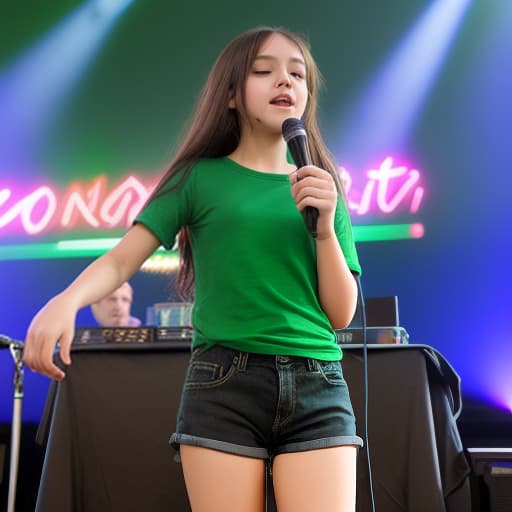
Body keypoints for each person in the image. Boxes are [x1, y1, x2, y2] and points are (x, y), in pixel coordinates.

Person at [23, 26, 362, 512]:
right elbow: (123, 258)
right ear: (230, 94)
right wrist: (66, 301)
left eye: (298, 74)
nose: (285, 82)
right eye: (264, 71)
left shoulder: (323, 185)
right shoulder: (197, 178)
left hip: (318, 384)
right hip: (224, 382)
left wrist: (325, 227)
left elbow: (340, 314)